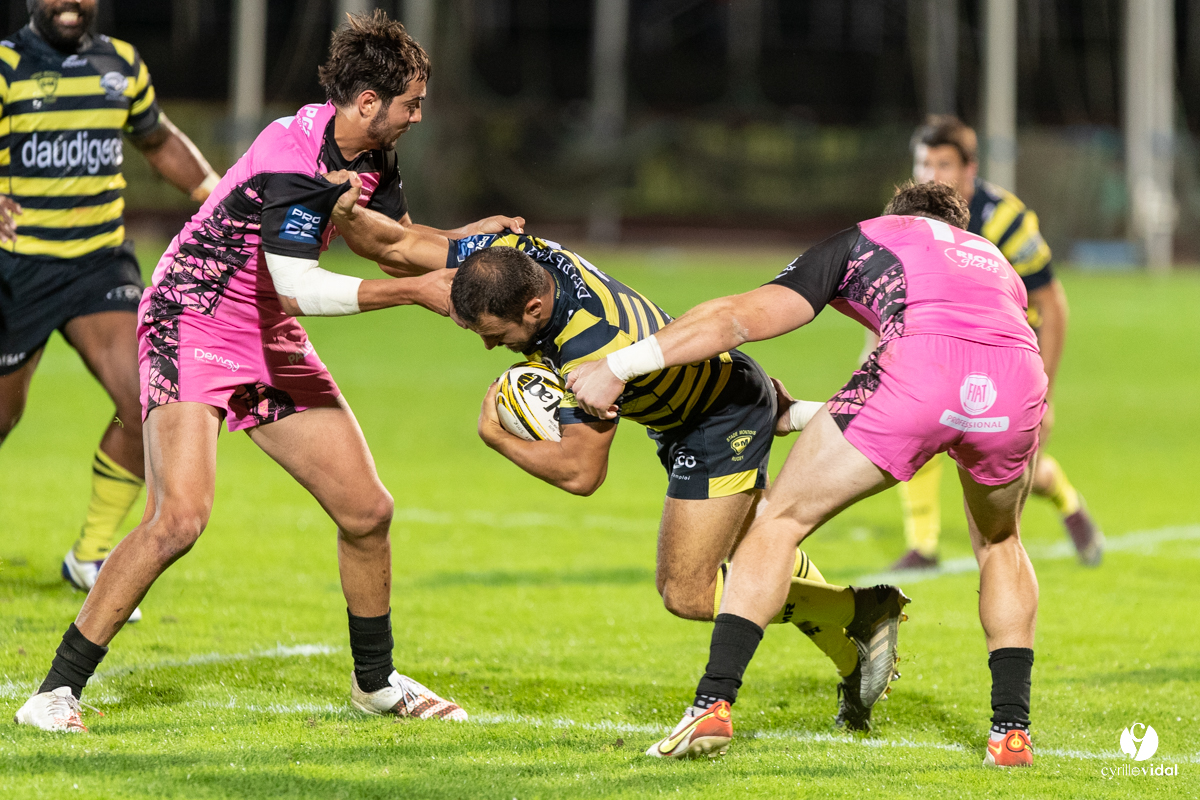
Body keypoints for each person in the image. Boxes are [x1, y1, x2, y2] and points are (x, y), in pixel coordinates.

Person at [15, 10, 521, 733]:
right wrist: (413, 291)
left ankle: (374, 685)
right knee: (179, 519)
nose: (419, 114)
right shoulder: (294, 155)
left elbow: (388, 243)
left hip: (263, 331)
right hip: (192, 318)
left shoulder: (370, 152)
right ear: (369, 103)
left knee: (367, 511)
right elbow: (301, 288)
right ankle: (53, 692)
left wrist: (467, 246)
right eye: (411, 103)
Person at [324, 200, 911, 734]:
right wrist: (340, 203)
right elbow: (398, 247)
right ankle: (849, 648)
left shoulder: (589, 352)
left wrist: (497, 439)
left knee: (686, 590)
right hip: (695, 400)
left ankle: (856, 611)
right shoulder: (521, 257)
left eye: (495, 335)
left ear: (532, 309)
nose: (487, 347)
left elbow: (582, 475)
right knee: (756, 540)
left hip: (717, 419)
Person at [568, 182, 1045, 767]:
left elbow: (740, 319)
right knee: (1000, 542)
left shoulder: (872, 237)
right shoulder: (993, 261)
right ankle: (1011, 734)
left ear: (894, 216)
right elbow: (972, 361)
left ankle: (713, 705)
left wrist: (620, 365)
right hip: (1019, 382)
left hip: (920, 373)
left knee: (776, 524)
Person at [0, 0, 222, 617]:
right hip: (18, 269)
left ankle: (92, 553)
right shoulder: (7, 66)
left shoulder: (120, 64)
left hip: (99, 264)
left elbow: (157, 138)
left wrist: (221, 197)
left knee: (143, 399)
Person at [882, 116, 1102, 570]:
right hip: (945, 349)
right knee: (917, 428)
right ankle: (922, 546)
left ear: (969, 169)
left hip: (1006, 355)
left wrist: (1047, 395)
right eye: (924, 163)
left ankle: (1064, 497)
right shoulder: (908, 219)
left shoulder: (1007, 220)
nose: (931, 175)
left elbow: (1051, 303)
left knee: (1002, 467)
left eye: (943, 163)